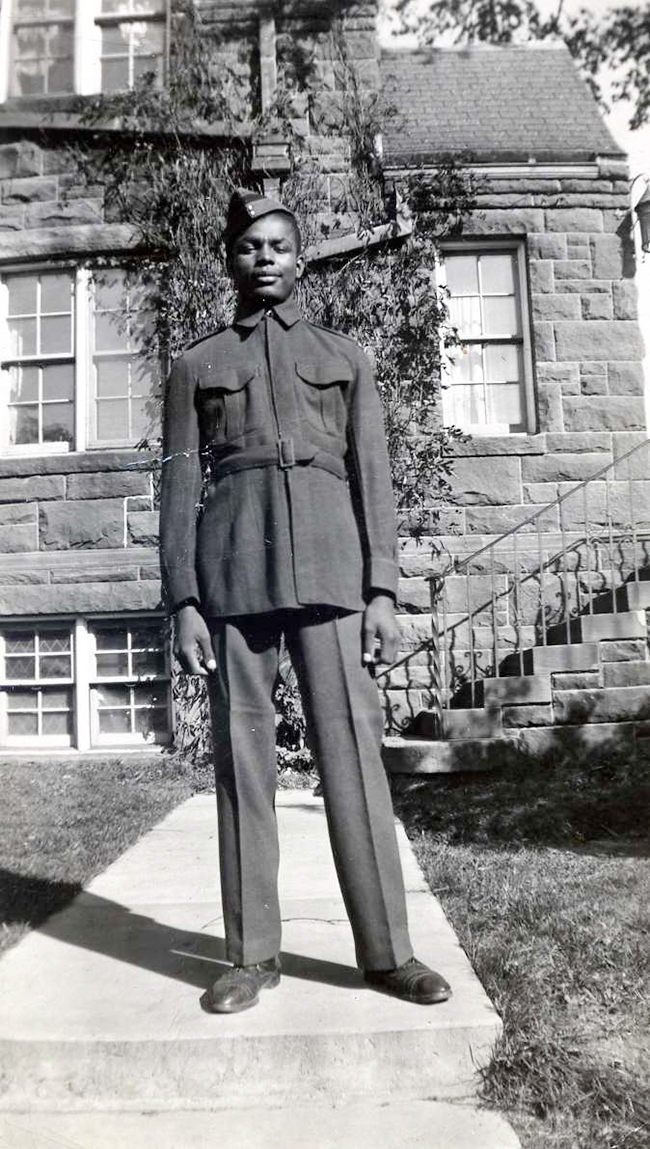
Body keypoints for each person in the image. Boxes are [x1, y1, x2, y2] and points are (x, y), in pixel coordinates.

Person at [159, 187, 451, 1014]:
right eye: (248, 246)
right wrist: (183, 599)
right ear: (230, 259)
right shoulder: (197, 365)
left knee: (354, 755)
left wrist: (384, 590)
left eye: (279, 245)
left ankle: (388, 953)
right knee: (242, 764)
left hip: (332, 572)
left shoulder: (347, 357)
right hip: (233, 577)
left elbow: (377, 481)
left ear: (301, 255)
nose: (264, 257)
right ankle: (250, 955)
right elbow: (179, 489)